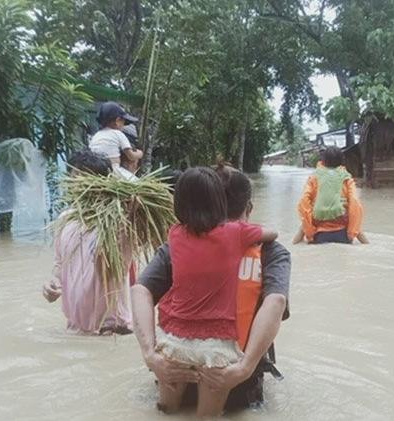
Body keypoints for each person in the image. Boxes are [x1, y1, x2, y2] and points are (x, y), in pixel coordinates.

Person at [132, 166, 290, 415]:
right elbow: (276, 302)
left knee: (164, 412)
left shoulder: (177, 241)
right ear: (248, 208)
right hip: (231, 377)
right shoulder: (271, 251)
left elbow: (141, 290)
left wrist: (150, 355)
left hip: (172, 367)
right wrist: (244, 368)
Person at [42, 151, 133, 335]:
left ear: (102, 184)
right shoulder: (65, 220)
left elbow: (120, 266)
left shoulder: (118, 222)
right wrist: (52, 286)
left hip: (111, 329)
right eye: (73, 180)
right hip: (75, 328)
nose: (78, 188)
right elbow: (60, 265)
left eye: (85, 181)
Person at [294, 146, 369, 245]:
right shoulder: (346, 178)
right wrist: (352, 232)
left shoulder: (314, 177)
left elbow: (304, 202)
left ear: (323, 161)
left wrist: (309, 232)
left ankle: (293, 245)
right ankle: (368, 245)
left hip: (318, 232)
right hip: (342, 231)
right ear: (342, 161)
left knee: (303, 225)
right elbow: (355, 203)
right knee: (357, 228)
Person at [88, 102, 143, 177]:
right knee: (135, 182)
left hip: (95, 171)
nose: (123, 126)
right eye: (123, 122)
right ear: (117, 121)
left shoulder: (96, 135)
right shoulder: (118, 134)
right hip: (113, 170)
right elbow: (131, 156)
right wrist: (140, 154)